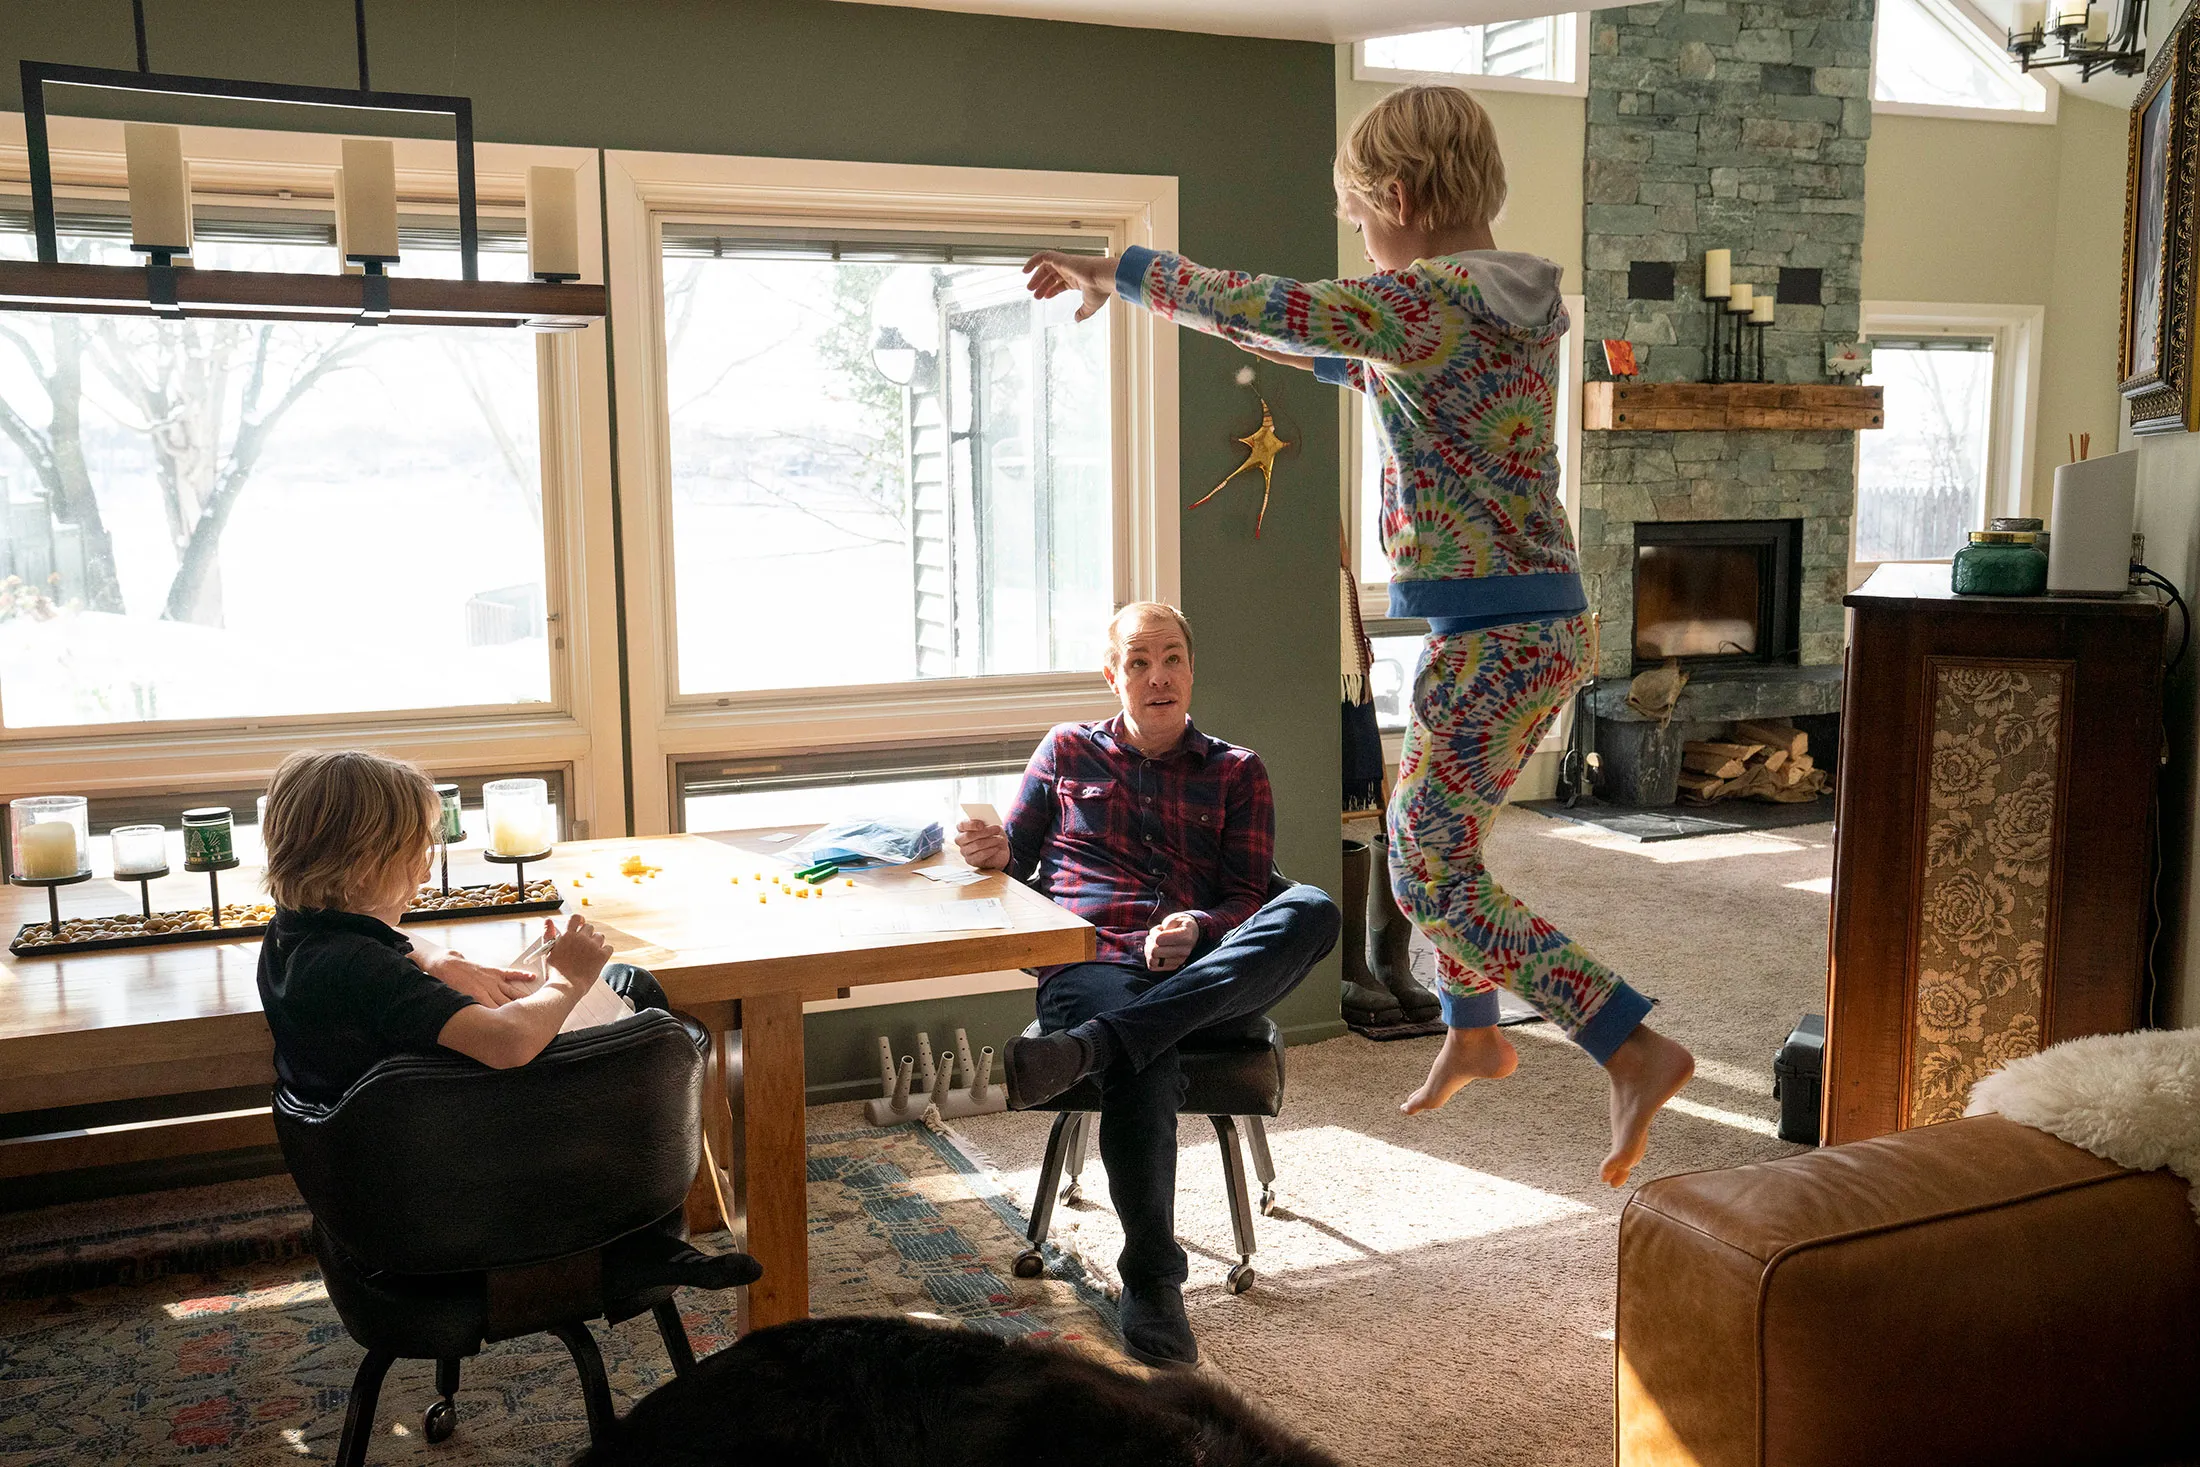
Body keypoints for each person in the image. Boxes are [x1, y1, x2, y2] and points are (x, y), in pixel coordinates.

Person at [1020, 84, 1695, 1190]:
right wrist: (1177, 309)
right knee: (1434, 844)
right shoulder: (1506, 305)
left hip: (1498, 635)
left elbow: (1276, 308)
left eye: (1364, 227)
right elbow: (1322, 347)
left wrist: (1123, 271)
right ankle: (1473, 1025)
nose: (1366, 252)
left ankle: (1627, 1041)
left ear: (1400, 197)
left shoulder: (1425, 300)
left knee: (1424, 868)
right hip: (1522, 624)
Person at [958, 603, 1339, 1369]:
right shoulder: (1066, 750)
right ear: (1114, 675)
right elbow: (1013, 865)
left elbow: (1248, 896)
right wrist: (990, 851)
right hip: (1091, 962)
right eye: (1138, 661)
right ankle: (1153, 1282)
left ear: (1191, 670)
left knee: (1314, 909)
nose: (1157, 676)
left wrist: (1200, 926)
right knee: (1148, 1052)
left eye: (1171, 659)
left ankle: (1091, 1047)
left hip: (1204, 972)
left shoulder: (1238, 771)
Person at [254, 747, 761, 1294]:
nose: (427, 865)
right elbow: (508, 1044)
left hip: (380, 1187)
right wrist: (567, 979)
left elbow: (381, 944)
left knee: (615, 999)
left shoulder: (295, 935)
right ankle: (632, 1237)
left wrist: (438, 960)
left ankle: (634, 1238)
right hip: (458, 1186)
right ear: (363, 865)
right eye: (416, 849)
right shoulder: (364, 970)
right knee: (638, 1000)